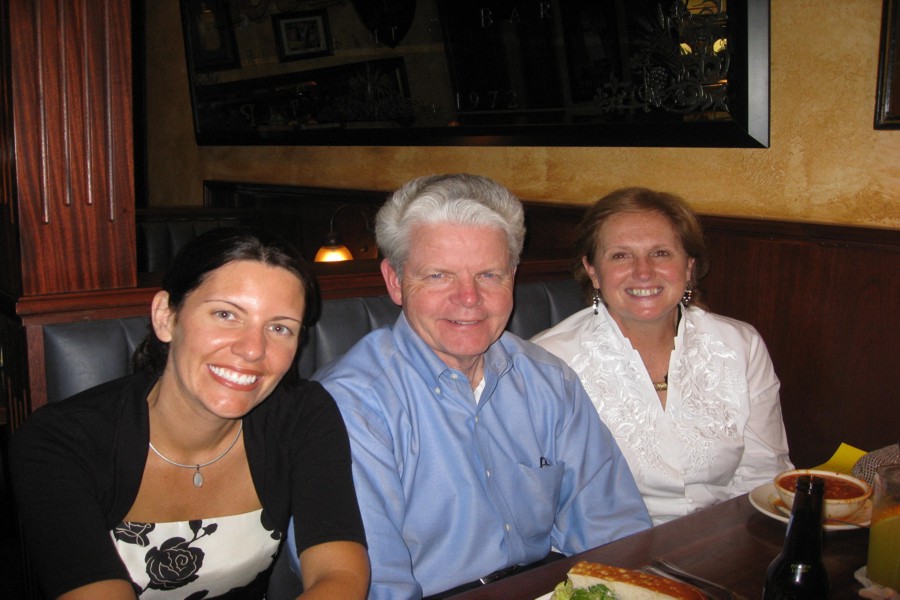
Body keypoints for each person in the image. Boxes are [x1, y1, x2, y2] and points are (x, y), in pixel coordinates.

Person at [288, 174, 651, 599]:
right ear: (394, 281)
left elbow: (613, 532)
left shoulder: (549, 380)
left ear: (512, 276)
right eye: (439, 276)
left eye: (489, 275)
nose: (468, 298)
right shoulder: (349, 409)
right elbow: (375, 588)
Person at [10, 228, 369, 599]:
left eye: (279, 327)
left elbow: (338, 573)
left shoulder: (302, 416)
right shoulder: (60, 442)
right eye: (226, 314)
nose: (252, 349)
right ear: (166, 317)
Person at [531, 187, 793, 525]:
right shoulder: (548, 361)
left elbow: (763, 474)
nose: (643, 272)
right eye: (621, 256)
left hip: (725, 542)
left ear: (688, 267)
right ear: (593, 271)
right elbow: (544, 499)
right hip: (602, 553)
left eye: (661, 253)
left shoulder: (740, 344)